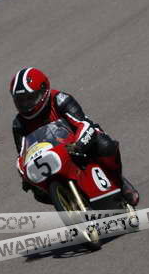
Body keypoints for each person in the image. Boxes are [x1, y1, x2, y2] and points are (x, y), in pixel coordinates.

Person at [10, 67, 139, 206]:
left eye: (30, 98)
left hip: (78, 139)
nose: (26, 104)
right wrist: (24, 175)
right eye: (21, 100)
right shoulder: (18, 123)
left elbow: (83, 123)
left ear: (44, 90)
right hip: (51, 156)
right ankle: (67, 201)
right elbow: (23, 154)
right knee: (37, 192)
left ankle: (120, 182)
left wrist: (79, 143)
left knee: (105, 145)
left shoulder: (60, 99)